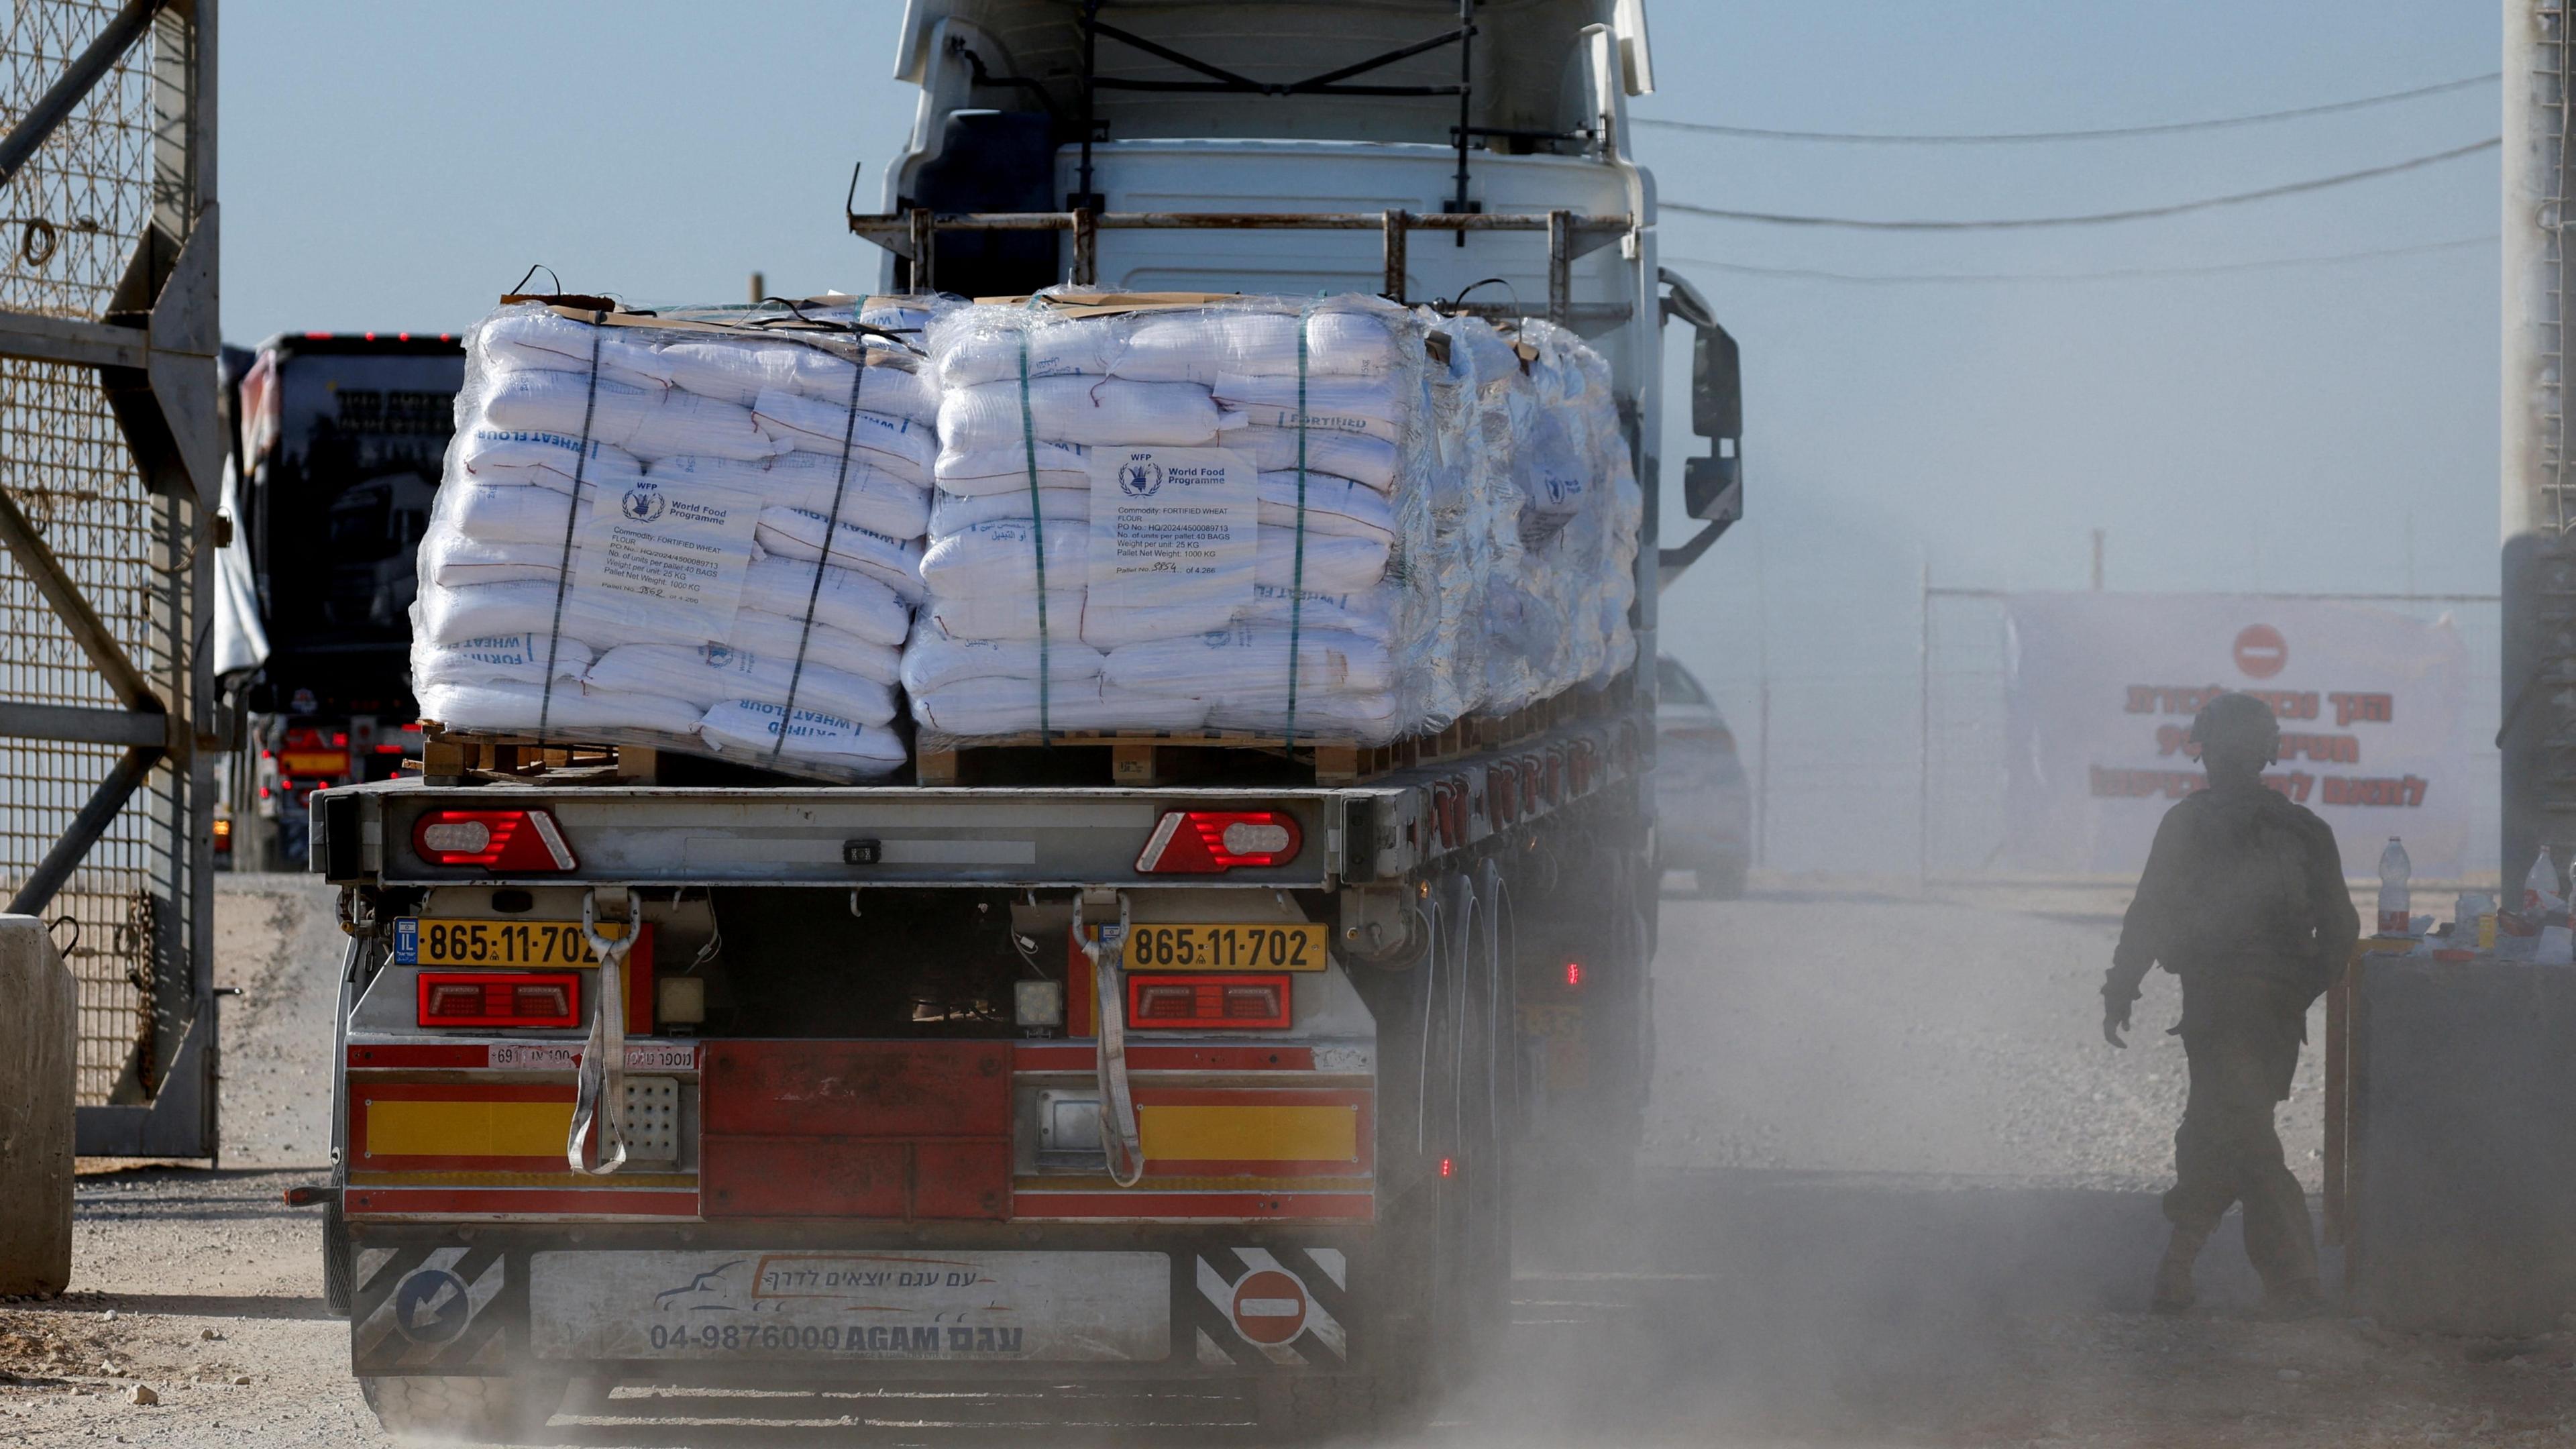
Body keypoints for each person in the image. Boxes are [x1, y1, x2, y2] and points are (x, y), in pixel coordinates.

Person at [2101, 690, 2357, 1313]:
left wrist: (2122, 985)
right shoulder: (2306, 831)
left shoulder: (2187, 824)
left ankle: (2212, 1269)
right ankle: (2277, 1281)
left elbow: (2149, 912)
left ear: (2207, 753)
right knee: (2236, 1129)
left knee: (2228, 1132)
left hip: (2215, 1007)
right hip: (2270, 1015)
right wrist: (2299, 988)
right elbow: (2342, 932)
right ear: (2268, 752)